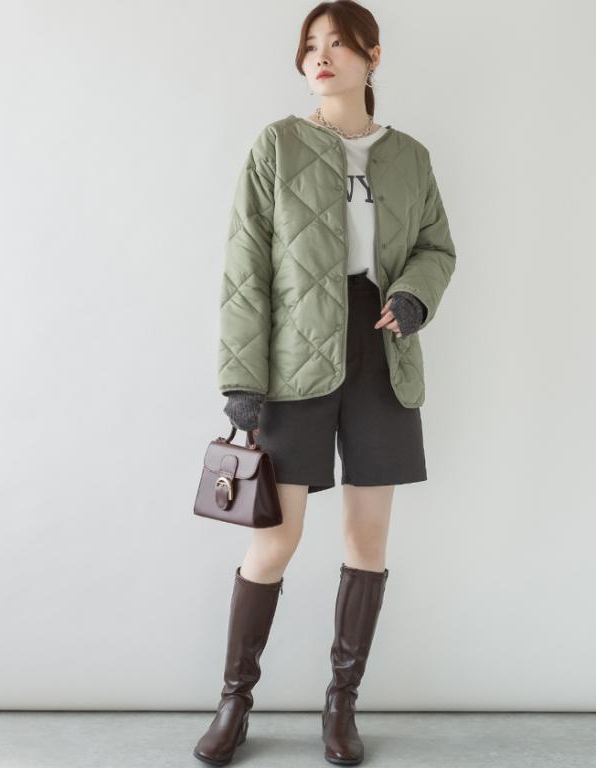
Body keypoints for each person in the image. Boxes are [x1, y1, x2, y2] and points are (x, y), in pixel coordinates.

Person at [194, 1, 456, 764]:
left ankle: (341, 706)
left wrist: (414, 296)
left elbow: (436, 246)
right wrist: (242, 377)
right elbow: (245, 268)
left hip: (383, 353)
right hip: (292, 361)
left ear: (373, 56)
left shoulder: (409, 156)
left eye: (339, 43)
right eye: (311, 44)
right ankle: (235, 701)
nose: (321, 56)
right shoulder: (276, 146)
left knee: (367, 538)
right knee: (274, 541)